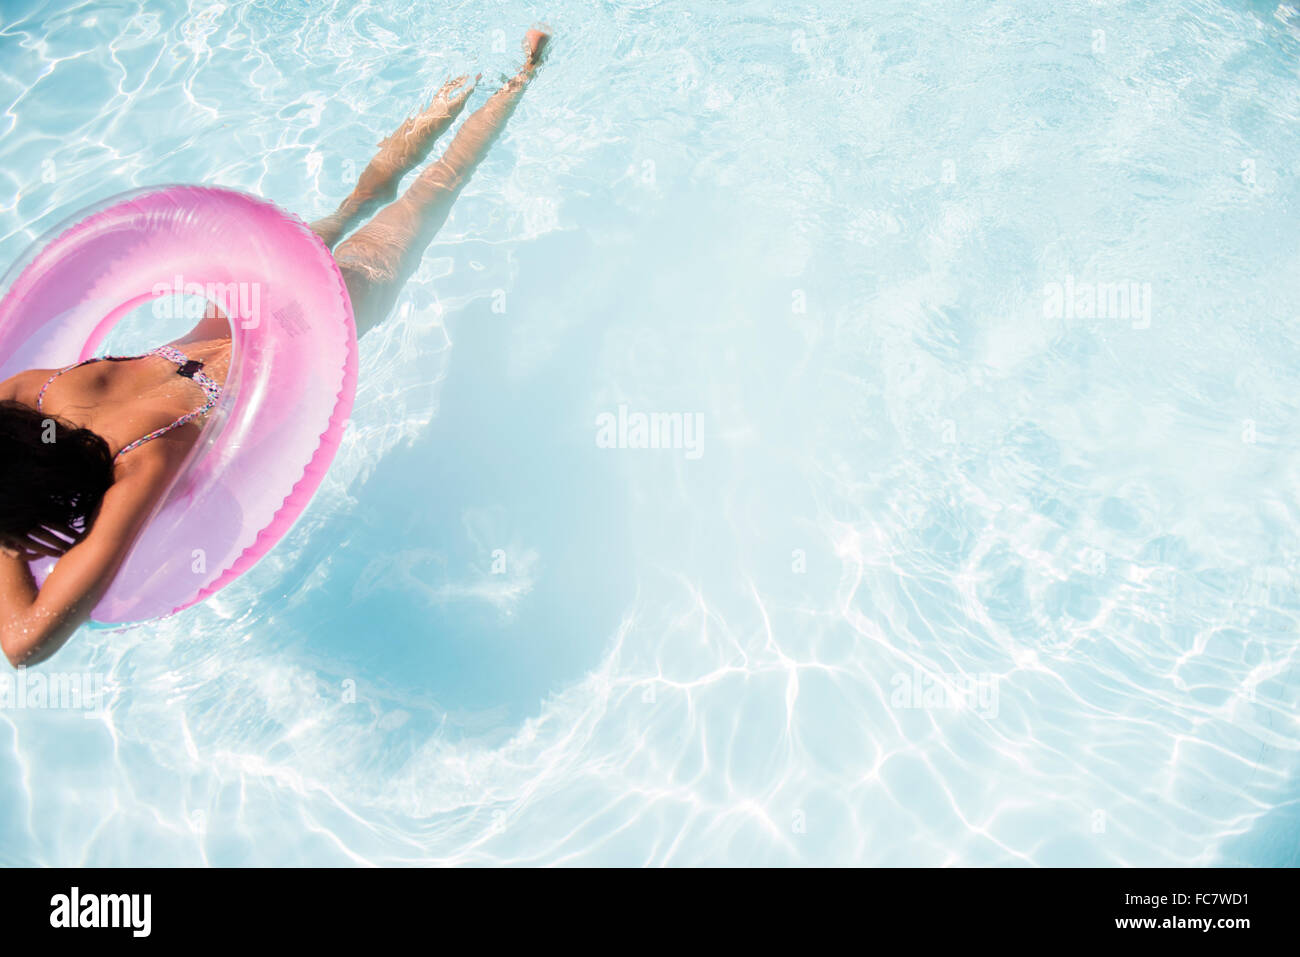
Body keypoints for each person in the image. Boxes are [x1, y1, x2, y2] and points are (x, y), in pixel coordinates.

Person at [0, 29, 550, 667]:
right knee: (357, 201)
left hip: (306, 329)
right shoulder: (28, 390)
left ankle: (522, 81)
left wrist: (9, 542)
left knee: (435, 193)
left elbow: (25, 642)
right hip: (244, 297)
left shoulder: (138, 466)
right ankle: (477, 75)